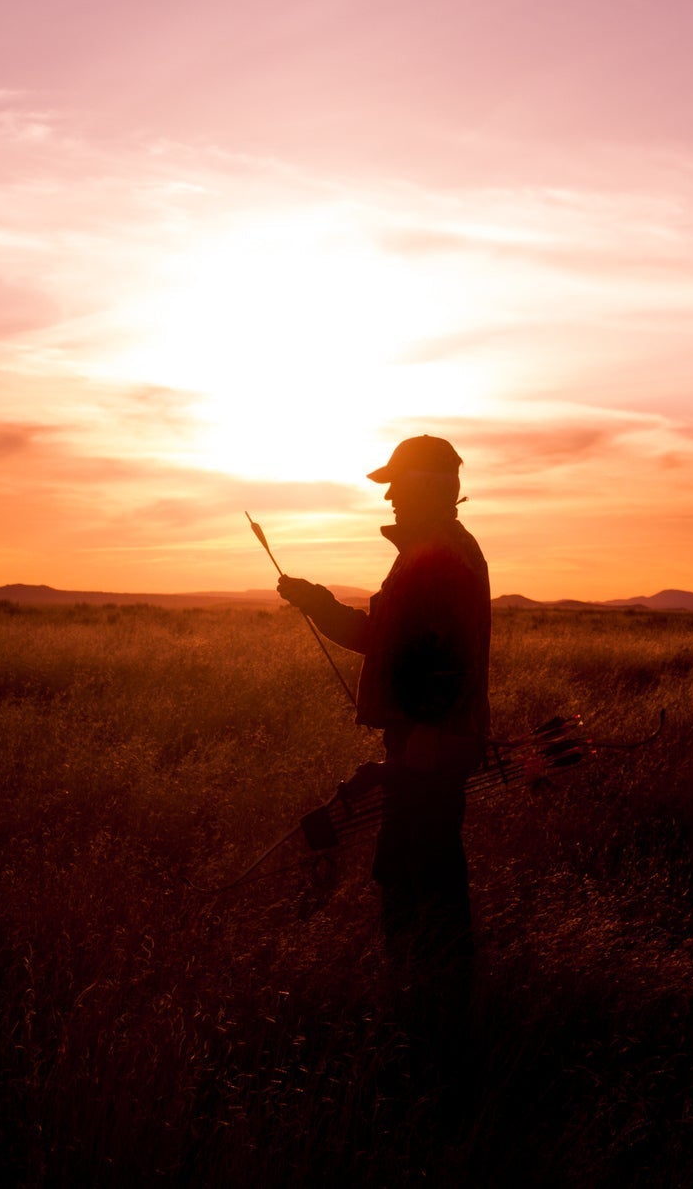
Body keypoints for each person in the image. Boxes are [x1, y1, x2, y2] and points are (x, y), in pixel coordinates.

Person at [276, 434, 490, 1015]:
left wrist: (426, 735)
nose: (390, 496)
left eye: (399, 483)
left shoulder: (441, 552)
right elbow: (383, 641)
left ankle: (432, 1004)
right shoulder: (428, 550)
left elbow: (452, 653)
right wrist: (316, 603)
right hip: (426, 741)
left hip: (430, 744)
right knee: (412, 866)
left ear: (430, 486)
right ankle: (428, 995)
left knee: (422, 873)